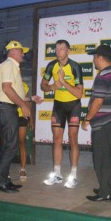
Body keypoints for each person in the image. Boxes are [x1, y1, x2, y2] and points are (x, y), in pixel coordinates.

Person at [40, 39, 83, 188]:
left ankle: (73, 175)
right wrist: (52, 86)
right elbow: (43, 86)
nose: (58, 51)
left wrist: (63, 82)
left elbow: (79, 93)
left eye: (62, 49)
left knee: (72, 139)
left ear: (68, 51)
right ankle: (57, 174)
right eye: (57, 49)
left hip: (74, 107)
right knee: (57, 139)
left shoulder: (75, 66)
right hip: (58, 106)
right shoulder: (51, 65)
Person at [82, 45, 111, 202]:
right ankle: (106, 186)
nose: (93, 60)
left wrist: (87, 119)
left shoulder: (103, 75)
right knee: (108, 156)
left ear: (100, 57)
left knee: (102, 158)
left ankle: (105, 193)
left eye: (94, 57)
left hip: (104, 122)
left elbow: (98, 101)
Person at [0, 40, 31, 193]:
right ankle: (0, 182)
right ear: (13, 52)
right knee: (11, 146)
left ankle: (4, 180)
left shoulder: (11, 66)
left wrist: (27, 100)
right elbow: (6, 88)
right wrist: (22, 105)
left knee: (7, 146)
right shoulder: (9, 64)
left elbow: (12, 91)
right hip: (6, 109)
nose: (24, 54)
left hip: (7, 108)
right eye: (22, 51)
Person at [18, 82, 43, 181]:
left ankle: (23, 169)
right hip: (10, 115)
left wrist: (31, 118)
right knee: (9, 143)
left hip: (22, 116)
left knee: (22, 142)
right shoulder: (9, 83)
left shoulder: (24, 85)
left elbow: (27, 102)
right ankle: (5, 170)